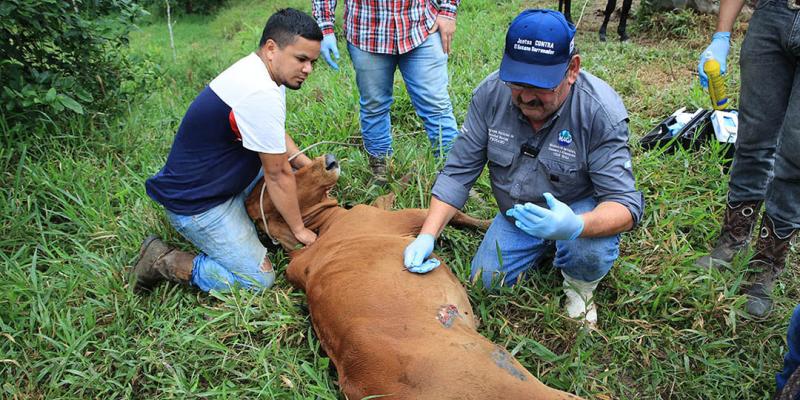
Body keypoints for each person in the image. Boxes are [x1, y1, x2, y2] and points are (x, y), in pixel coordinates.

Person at [402, 9, 643, 327]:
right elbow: (458, 172)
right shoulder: (490, 95)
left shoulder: (599, 111)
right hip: (520, 213)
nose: (526, 96)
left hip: (578, 210)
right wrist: (427, 236)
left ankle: (580, 286)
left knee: (590, 251)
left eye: (541, 85)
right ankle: (546, 246)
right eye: (517, 82)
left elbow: (625, 205)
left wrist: (574, 226)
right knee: (487, 281)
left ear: (572, 69)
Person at [131, 8, 322, 293]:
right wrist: (299, 231)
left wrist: (304, 164)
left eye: (312, 62)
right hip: (200, 205)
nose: (308, 69)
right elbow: (277, 173)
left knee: (298, 181)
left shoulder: (266, 74)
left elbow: (274, 133)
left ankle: (258, 219)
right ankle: (163, 260)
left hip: (228, 178)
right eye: (301, 59)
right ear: (271, 48)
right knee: (258, 281)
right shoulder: (259, 91)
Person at [694, 0, 798, 317]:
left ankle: (766, 264)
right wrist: (720, 37)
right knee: (752, 137)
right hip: (772, 14)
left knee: (796, 154)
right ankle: (732, 238)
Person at [312, 0, 461, 185]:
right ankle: (382, 171)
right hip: (366, 32)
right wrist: (325, 28)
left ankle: (456, 178)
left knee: (437, 106)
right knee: (374, 106)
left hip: (420, 26)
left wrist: (447, 10)